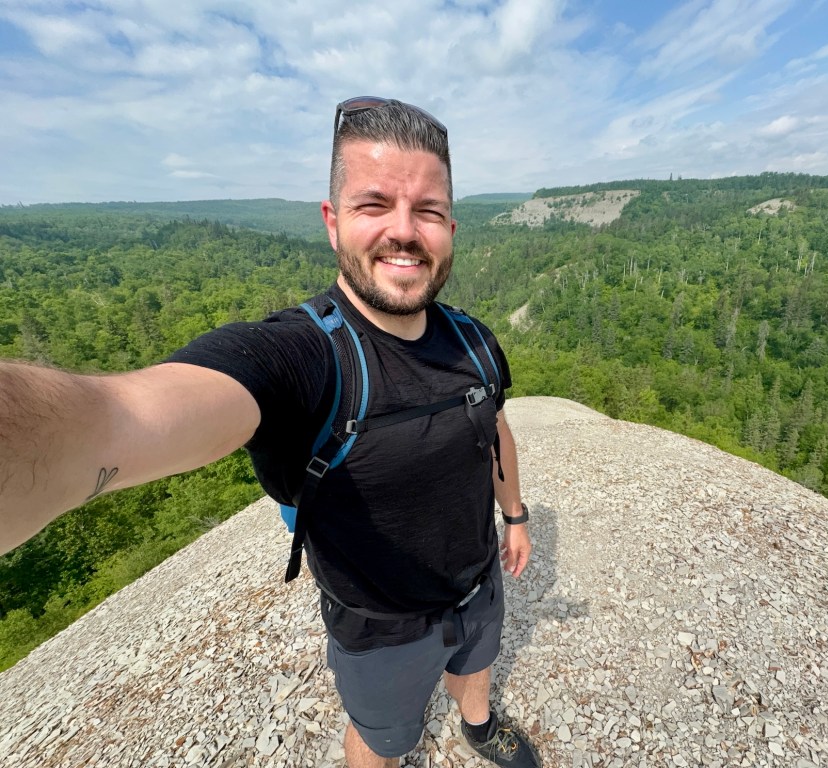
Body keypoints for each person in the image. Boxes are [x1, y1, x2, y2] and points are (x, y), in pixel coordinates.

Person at [0, 97, 540, 768]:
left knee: (478, 662)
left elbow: (494, 430)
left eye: (427, 210)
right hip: (380, 626)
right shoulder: (307, 357)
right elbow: (116, 419)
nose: (404, 231)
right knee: (383, 738)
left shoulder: (472, 340)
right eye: (374, 205)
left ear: (450, 228)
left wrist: (515, 516)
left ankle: (478, 724)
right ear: (332, 222)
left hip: (478, 579)